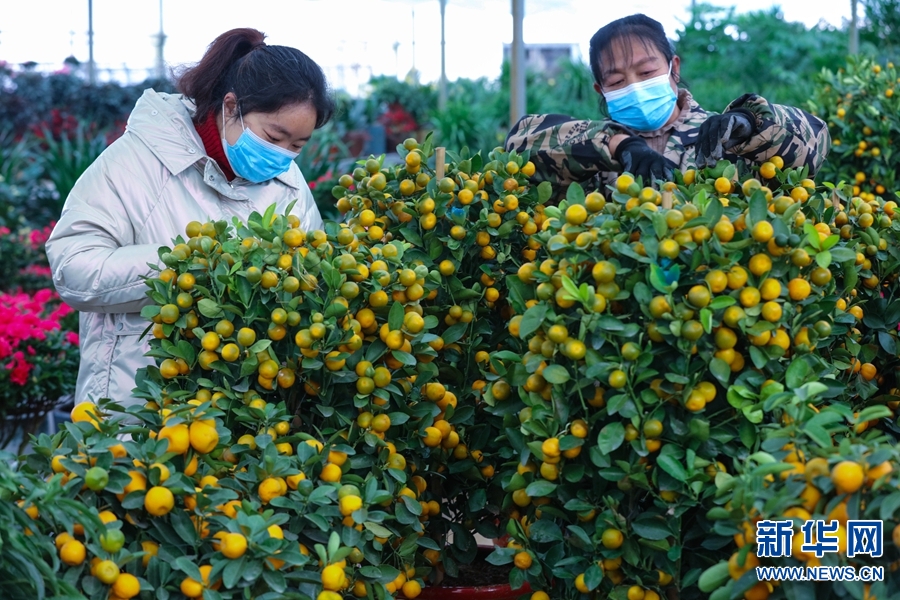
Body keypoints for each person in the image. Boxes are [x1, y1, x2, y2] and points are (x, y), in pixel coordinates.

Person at [46, 28, 334, 406]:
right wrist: (187, 264)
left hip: (245, 415)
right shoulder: (137, 162)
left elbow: (312, 274)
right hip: (138, 407)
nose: (282, 155)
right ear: (231, 106)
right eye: (273, 137)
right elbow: (74, 269)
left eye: (297, 145)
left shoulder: (287, 181)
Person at [506, 14, 830, 191]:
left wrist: (749, 124)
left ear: (674, 68)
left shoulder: (722, 134)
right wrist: (620, 146)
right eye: (617, 81)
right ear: (600, 89)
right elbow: (519, 146)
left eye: (646, 71)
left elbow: (816, 144)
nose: (634, 86)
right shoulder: (587, 147)